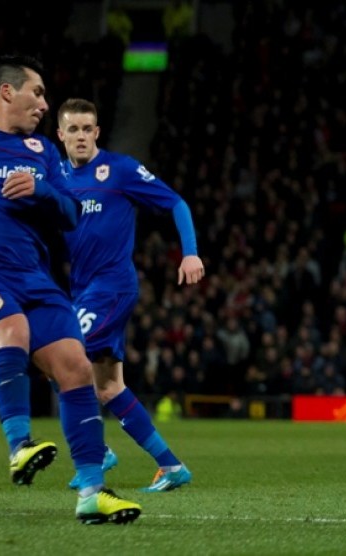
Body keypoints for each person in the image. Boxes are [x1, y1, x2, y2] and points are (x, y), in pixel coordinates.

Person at [0, 55, 141, 524]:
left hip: (33, 276)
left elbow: (70, 213)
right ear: (7, 92)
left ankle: (91, 492)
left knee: (76, 366)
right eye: (38, 93)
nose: (45, 104)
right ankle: (19, 445)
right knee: (13, 329)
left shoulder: (42, 152)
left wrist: (42, 190)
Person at [56, 98, 203, 492]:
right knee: (107, 387)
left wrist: (190, 252)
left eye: (88, 128)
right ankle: (171, 466)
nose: (82, 136)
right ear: (61, 135)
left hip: (112, 286)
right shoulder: (55, 175)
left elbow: (177, 202)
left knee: (63, 355)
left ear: (97, 132)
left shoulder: (119, 170)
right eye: (74, 129)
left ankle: (97, 451)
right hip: (82, 289)